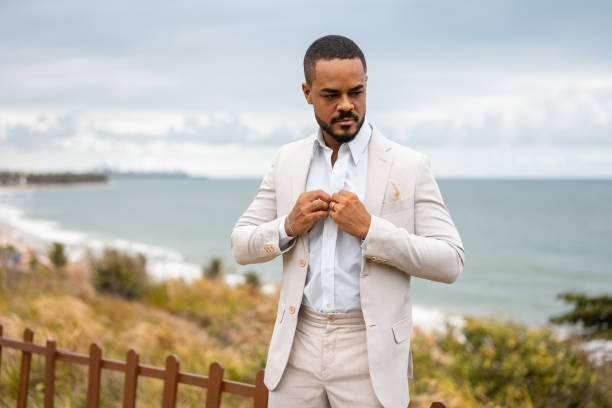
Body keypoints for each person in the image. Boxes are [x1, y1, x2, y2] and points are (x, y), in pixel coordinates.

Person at [231, 35, 465, 408]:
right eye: (330, 95)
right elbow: (241, 245)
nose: (346, 106)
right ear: (307, 93)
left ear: (367, 86)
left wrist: (372, 230)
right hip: (297, 343)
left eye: (356, 92)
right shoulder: (286, 160)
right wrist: (287, 226)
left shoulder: (408, 165)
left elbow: (451, 261)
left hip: (369, 352)